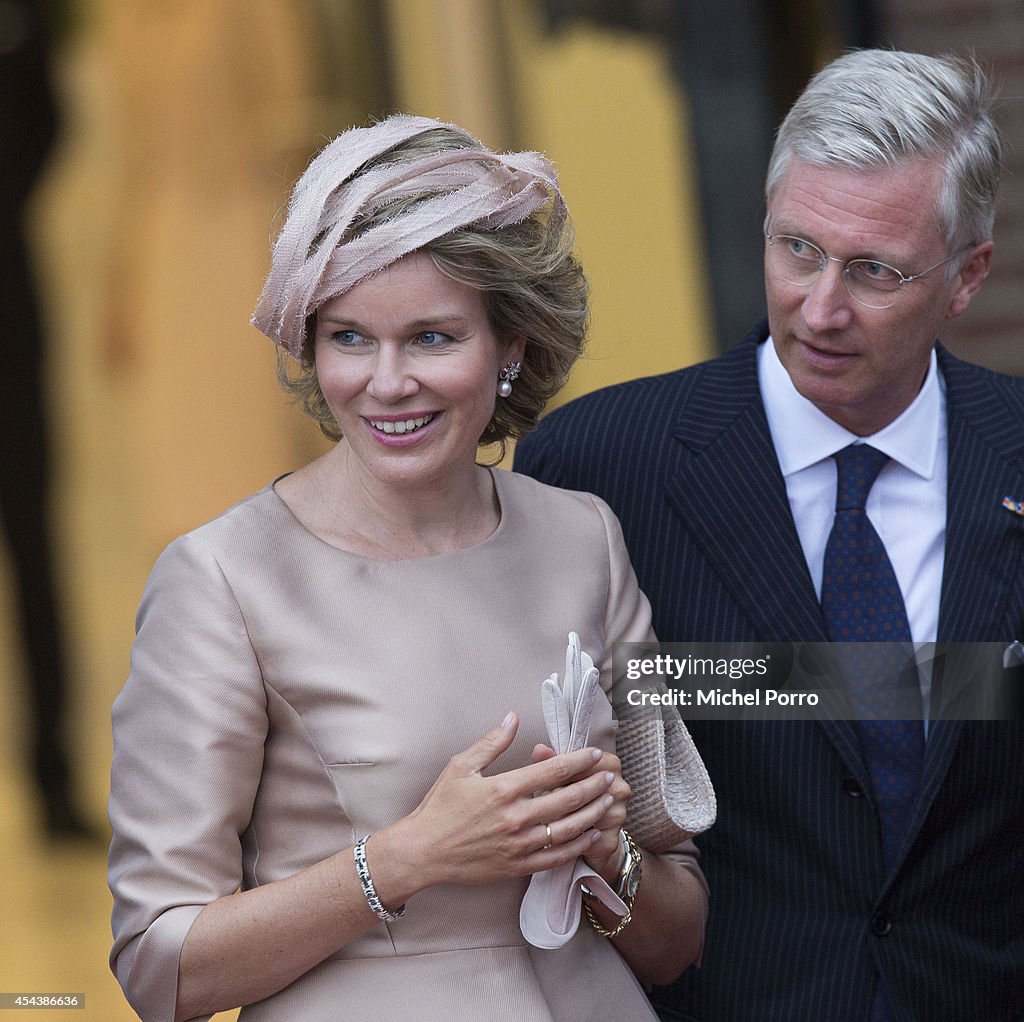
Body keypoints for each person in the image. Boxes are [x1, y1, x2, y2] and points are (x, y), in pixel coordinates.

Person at [108, 115, 711, 1022]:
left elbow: (678, 941)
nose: (387, 384)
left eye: (432, 337)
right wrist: (407, 858)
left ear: (511, 345)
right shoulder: (222, 579)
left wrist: (602, 847)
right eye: (350, 338)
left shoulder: (584, 538)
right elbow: (162, 969)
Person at [516, 50, 1024, 1021]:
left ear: (967, 277)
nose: (820, 308)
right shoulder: (597, 471)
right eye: (796, 249)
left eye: (874, 270)